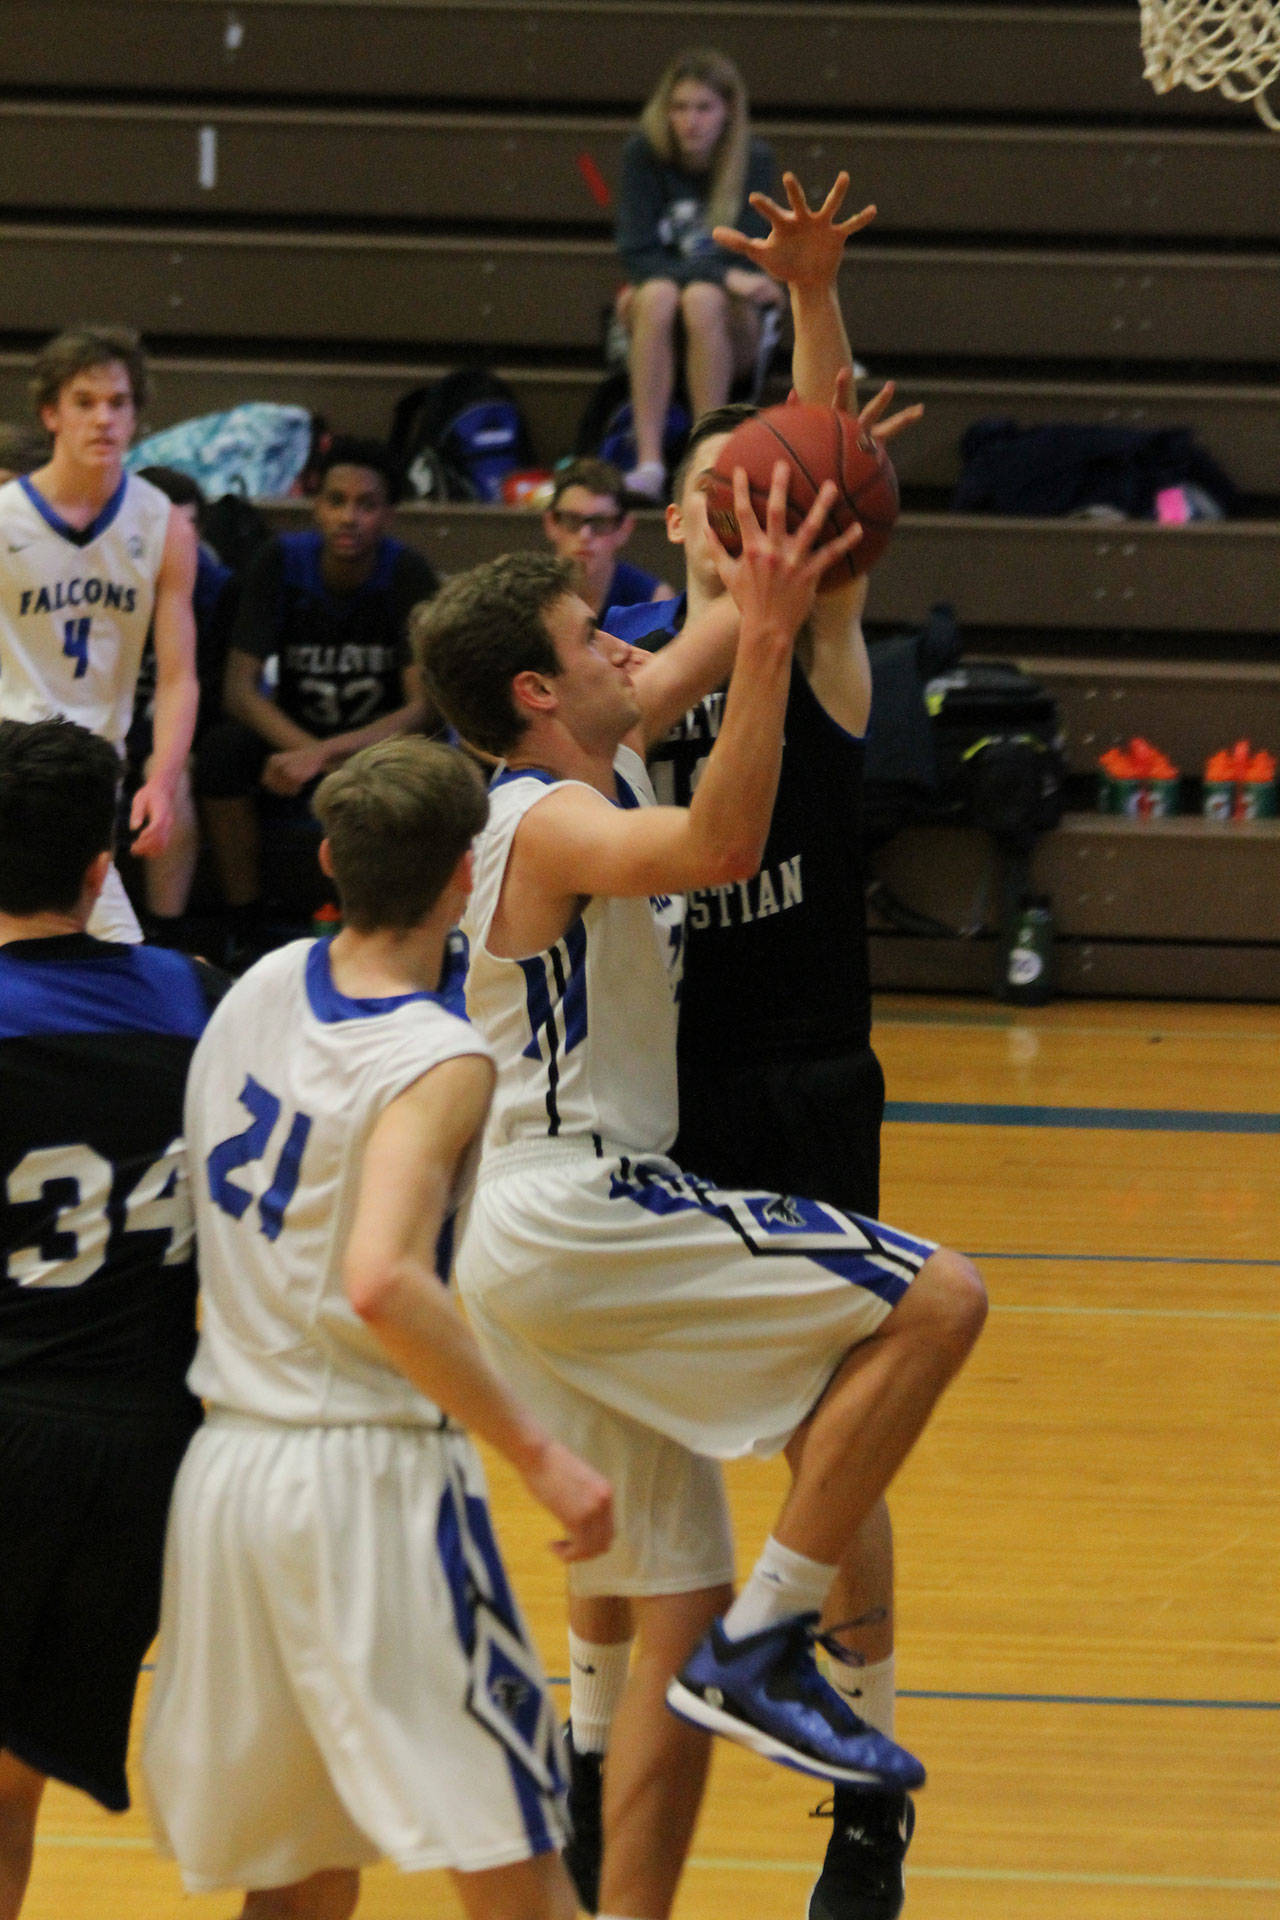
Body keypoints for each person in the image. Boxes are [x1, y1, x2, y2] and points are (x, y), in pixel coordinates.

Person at [416, 472, 987, 1920]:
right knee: (939, 1299)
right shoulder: (536, 818)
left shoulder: (586, 747)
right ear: (541, 690)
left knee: (664, 1608)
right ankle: (776, 1638)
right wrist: (765, 647)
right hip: (572, 1207)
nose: (631, 650)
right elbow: (720, 845)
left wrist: (810, 339)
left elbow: (740, 613)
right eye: (600, 639)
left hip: (552, 1238)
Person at [566, 174, 922, 1920]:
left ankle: (863, 1786)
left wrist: (815, 307)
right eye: (715, 498)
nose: (744, 516)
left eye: (757, 494)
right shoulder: (627, 693)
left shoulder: (828, 652)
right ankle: (584, 1741)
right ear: (683, 528)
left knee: (822, 1456)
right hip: (663, 1106)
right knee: (640, 1462)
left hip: (804, 1086)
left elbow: (829, 453)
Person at [142, 734, 614, 1920]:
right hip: (365, 1480)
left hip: (230, 1475)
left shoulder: (252, 988)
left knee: (298, 1880)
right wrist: (543, 1458)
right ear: (465, 877)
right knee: (518, 1860)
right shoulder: (436, 1055)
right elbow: (382, 1280)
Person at [0, 716, 224, 1920]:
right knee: (15, 1775)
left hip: (13, 1420)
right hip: (152, 1450)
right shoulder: (197, 1000)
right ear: (104, 869)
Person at [195, 434, 439, 955]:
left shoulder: (406, 572)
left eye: (366, 504)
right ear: (316, 506)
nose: (349, 517)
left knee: (435, 759)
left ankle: (406, 928)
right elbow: (239, 691)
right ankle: (246, 925)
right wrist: (308, 752)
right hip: (291, 736)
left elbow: (420, 708)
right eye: (336, 501)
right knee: (220, 753)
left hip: (374, 745)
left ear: (389, 514)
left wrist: (325, 757)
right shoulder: (279, 560)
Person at [0, 325, 199, 943]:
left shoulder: (162, 526)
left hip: (91, 774)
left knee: (93, 962)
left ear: (137, 416)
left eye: (118, 403)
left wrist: (162, 781)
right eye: (85, 402)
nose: (103, 419)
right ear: (51, 414)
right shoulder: (6, 518)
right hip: (10, 756)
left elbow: (177, 677)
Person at [615, 47, 785, 501]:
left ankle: (707, 459)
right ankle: (649, 463)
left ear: (728, 112)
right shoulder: (642, 154)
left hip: (732, 323)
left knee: (700, 298)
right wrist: (720, 275)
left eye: (704, 108)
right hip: (664, 315)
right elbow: (636, 252)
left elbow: (749, 260)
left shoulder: (754, 159)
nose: (691, 120)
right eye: (680, 107)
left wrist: (720, 279)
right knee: (656, 295)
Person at [126, 465, 238, 946]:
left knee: (172, 776)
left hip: (181, 728)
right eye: (164, 525)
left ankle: (165, 934)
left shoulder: (217, 586)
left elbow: (217, 687)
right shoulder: (102, 572)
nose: (177, 536)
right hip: (103, 722)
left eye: (188, 525)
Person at [542, 459, 675, 616]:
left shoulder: (654, 601)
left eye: (600, 523)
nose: (585, 535)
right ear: (551, 523)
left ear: (624, 528)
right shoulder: (529, 597)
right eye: (572, 520)